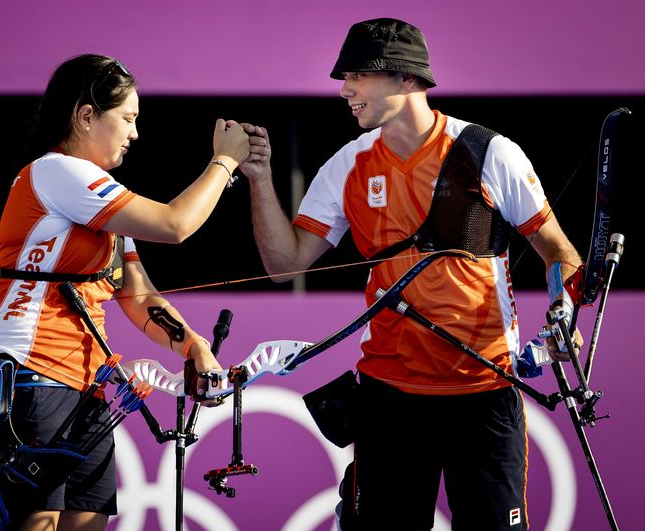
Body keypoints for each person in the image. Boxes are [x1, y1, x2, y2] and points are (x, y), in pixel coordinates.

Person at [239, 18, 583, 531]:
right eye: (345, 77)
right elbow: (284, 265)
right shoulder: (347, 166)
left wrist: (563, 310)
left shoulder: (487, 151)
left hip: (483, 389)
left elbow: (559, 251)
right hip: (389, 398)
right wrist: (260, 179)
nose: (344, 89)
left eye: (357, 75)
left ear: (406, 78)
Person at [0, 53, 250, 530]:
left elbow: (137, 296)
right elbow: (175, 224)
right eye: (127, 118)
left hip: (86, 389)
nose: (135, 133)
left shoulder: (95, 192)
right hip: (32, 378)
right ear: (86, 116)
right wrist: (225, 161)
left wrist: (194, 346)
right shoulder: (57, 172)